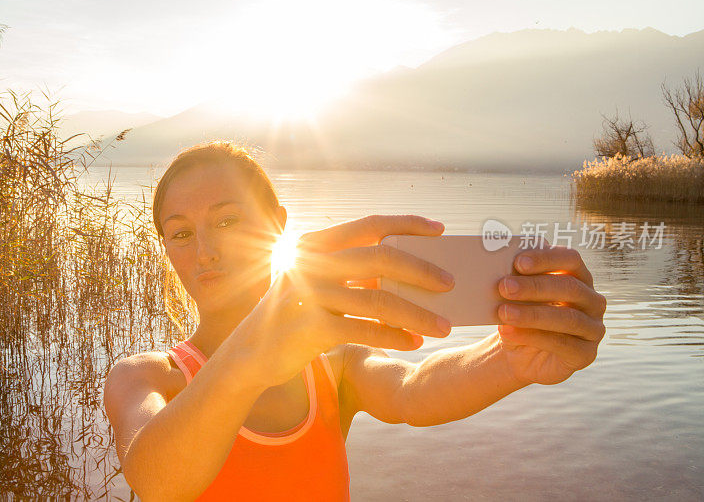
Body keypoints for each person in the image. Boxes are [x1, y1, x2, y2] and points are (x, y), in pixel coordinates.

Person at [103, 141, 607, 501]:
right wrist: (249, 358)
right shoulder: (147, 377)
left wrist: (513, 359)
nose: (206, 251)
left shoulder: (332, 365)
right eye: (180, 233)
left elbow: (412, 388)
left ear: (277, 224)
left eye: (227, 220)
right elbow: (156, 479)